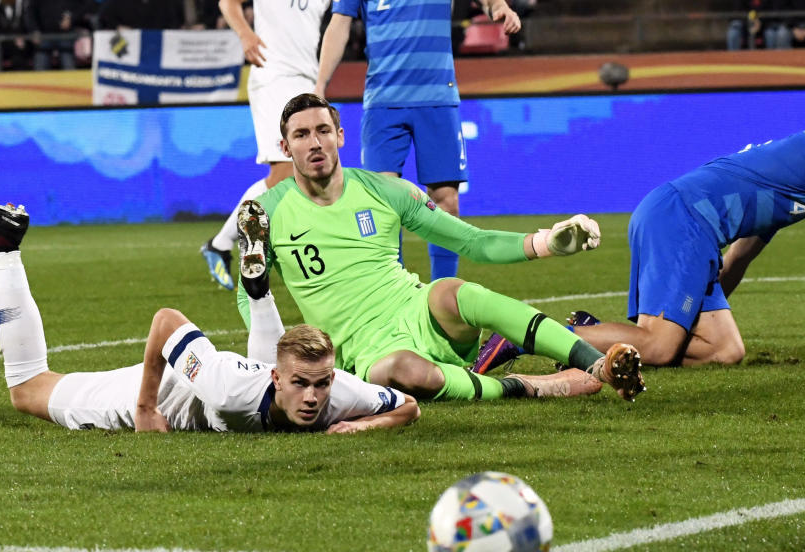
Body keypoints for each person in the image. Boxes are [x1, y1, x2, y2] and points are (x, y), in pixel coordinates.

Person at [235, 93, 646, 403]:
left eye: (323, 131)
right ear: (285, 148)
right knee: (404, 370)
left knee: (451, 289)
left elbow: (471, 241)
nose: (315, 143)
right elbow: (247, 293)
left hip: (416, 312)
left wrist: (545, 243)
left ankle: (597, 363)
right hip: (362, 352)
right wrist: (286, 357)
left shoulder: (385, 190)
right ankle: (530, 386)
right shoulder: (265, 213)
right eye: (302, 135)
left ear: (340, 135)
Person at [0, 192, 420, 434]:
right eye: (302, 384)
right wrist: (143, 407)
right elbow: (165, 320)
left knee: (268, 367)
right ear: (281, 381)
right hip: (173, 394)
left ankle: (259, 292)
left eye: (321, 384)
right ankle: (6, 246)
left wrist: (361, 428)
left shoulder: (337, 394)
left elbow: (407, 407)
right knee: (28, 390)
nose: (314, 398)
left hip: (253, 375)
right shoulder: (228, 388)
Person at [478, 113, 805, 373]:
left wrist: (705, 297)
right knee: (660, 348)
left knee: (725, 351)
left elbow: (746, 247)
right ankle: (524, 336)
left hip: (685, 225)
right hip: (682, 221)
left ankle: (590, 341)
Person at [314, 0, 521, 282]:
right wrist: (320, 85)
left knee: (446, 202)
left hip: (438, 98)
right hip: (383, 103)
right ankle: (393, 297)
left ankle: (444, 299)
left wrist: (499, 7)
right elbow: (339, 24)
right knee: (382, 205)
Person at [200, 0, 332, 291]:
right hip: (273, 75)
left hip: (307, 80)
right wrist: (245, 34)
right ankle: (224, 245)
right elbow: (228, 2)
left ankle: (220, 245)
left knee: (307, 176)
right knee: (284, 173)